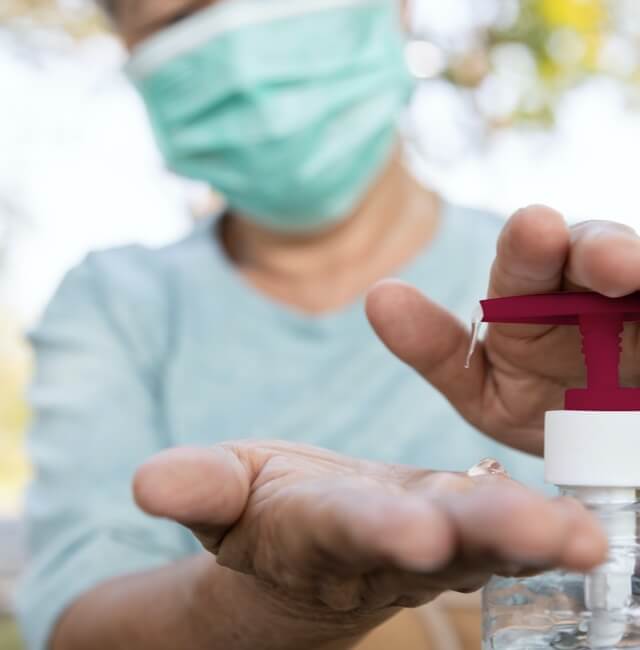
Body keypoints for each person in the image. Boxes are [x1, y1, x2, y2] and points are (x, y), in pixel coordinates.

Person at [15, 0, 640, 648]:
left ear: (397, 10)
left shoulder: (569, 297)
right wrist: (276, 601)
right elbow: (74, 617)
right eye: (181, 17)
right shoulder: (117, 303)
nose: (243, 51)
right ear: (128, 47)